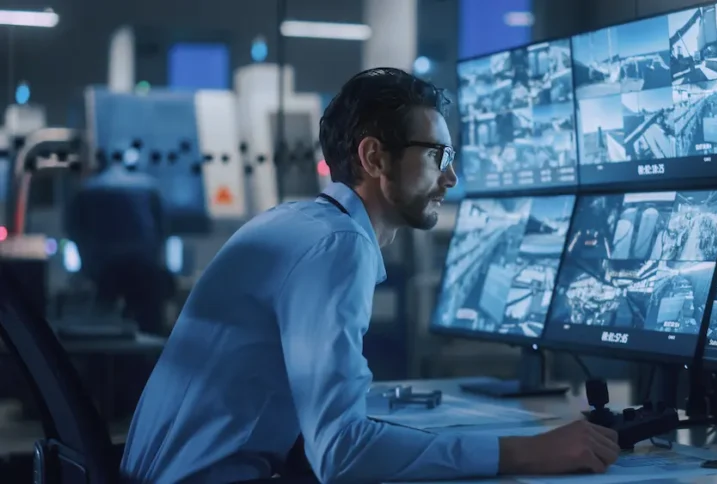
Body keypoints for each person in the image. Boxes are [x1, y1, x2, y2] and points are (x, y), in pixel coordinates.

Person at [120, 68, 620, 483]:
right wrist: (528, 452)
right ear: (374, 157)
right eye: (436, 156)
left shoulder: (292, 221)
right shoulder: (339, 246)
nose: (451, 177)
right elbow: (341, 451)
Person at [64, 157, 172, 335]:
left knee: (102, 323)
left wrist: (86, 268)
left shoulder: (87, 190)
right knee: (150, 325)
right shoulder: (149, 187)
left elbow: (75, 230)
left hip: (106, 267)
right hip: (144, 267)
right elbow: (162, 229)